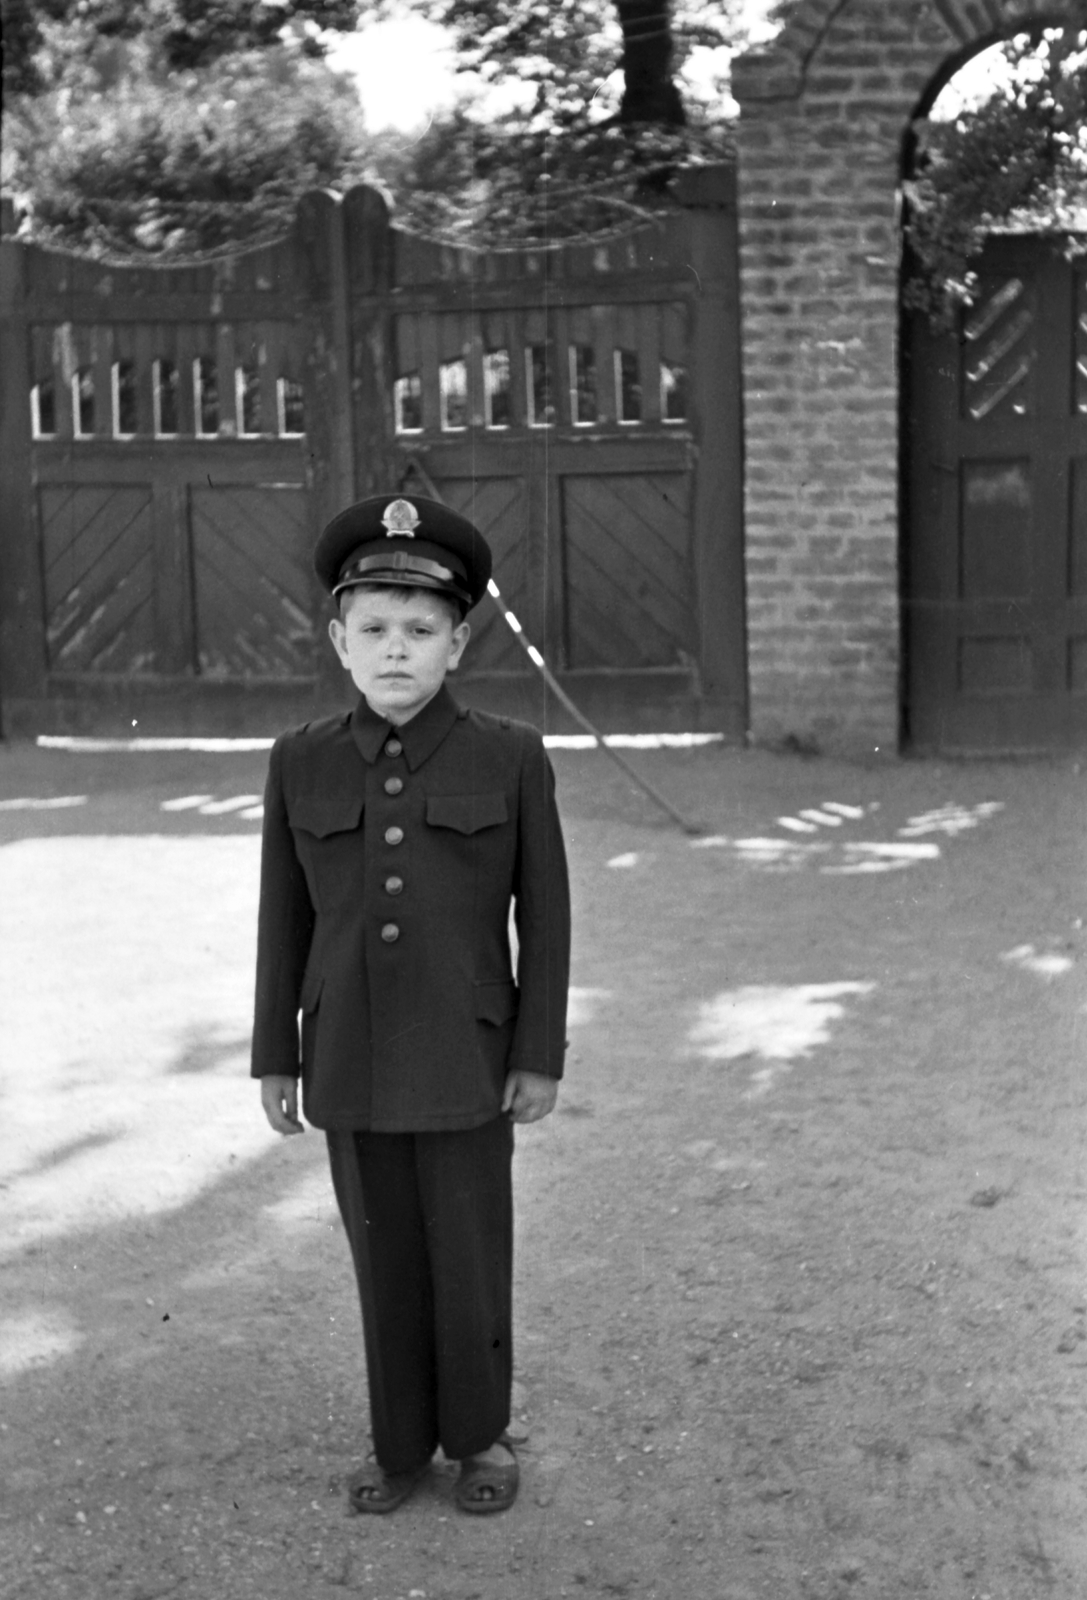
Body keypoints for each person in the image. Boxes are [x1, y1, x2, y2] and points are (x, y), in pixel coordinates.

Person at [251, 493, 571, 1516]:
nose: (397, 651)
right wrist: (274, 1055)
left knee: (469, 1253)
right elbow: (282, 918)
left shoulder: (509, 755)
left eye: (421, 631)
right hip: (347, 1052)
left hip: (469, 1057)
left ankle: (477, 1437)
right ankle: (399, 1446)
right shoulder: (299, 759)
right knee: (382, 1253)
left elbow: (547, 919)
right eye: (375, 630)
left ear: (457, 642)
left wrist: (539, 1052)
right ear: (338, 638)